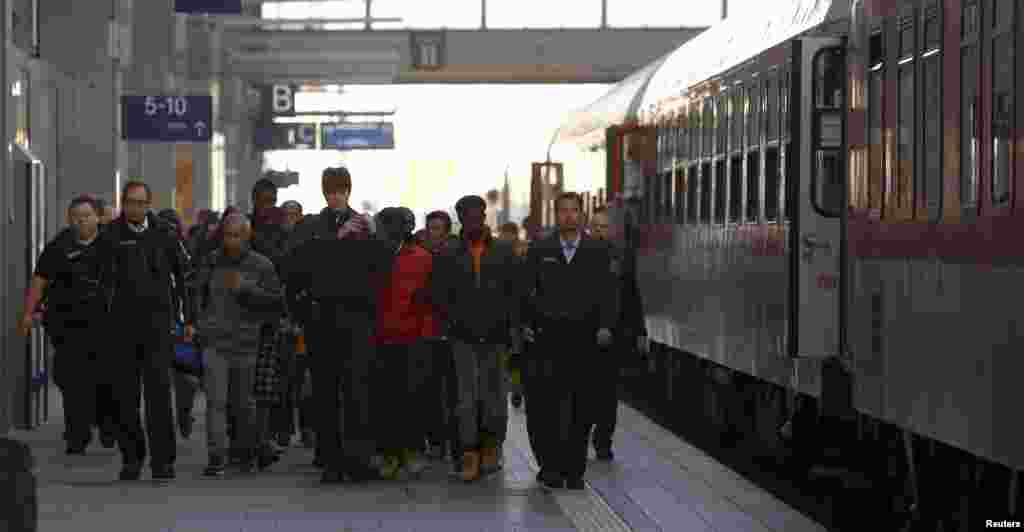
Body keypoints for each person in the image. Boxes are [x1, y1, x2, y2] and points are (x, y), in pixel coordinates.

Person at [285, 166, 390, 483]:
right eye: (330, 189)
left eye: (341, 188)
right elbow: (296, 268)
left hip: (358, 320)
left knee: (358, 390)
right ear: (323, 191)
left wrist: (373, 235)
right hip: (322, 319)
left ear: (349, 190)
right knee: (324, 393)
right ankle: (331, 460)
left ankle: (358, 458)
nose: (336, 195)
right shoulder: (310, 226)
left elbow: (383, 268)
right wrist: (302, 314)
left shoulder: (365, 225)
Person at [521, 192, 618, 490]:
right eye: (562, 211)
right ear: (555, 214)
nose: (568, 216)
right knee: (544, 407)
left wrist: (605, 326)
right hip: (547, 339)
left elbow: (609, 293)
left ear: (582, 215)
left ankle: (574, 470)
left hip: (585, 340)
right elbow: (526, 290)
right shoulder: (540, 249)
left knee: (582, 408)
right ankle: (550, 466)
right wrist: (526, 324)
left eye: (574, 211)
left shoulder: (598, 250)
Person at [100, 181, 193, 482]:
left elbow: (183, 277)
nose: (135, 208)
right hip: (121, 328)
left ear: (149, 204)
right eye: (130, 202)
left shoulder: (165, 233)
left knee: (158, 396)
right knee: (125, 398)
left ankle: (163, 462)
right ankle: (131, 458)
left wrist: (187, 318)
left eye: (141, 203)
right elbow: (99, 281)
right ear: (123, 203)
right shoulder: (111, 235)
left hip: (158, 326)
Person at [432, 195, 522, 482]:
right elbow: (439, 295)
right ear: (461, 219)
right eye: (468, 216)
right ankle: (469, 453)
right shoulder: (449, 253)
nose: (475, 221)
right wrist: (451, 323)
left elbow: (515, 293)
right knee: (466, 399)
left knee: (494, 397)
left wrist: (511, 328)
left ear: (484, 217)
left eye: (478, 216)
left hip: (496, 337)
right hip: (462, 337)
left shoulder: (503, 251)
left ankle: (491, 447)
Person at [18, 195, 116, 454]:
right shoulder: (57, 247)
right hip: (67, 327)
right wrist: (28, 313)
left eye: (86, 215)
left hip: (105, 327)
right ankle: (77, 435)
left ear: (97, 217)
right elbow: (39, 282)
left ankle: (107, 423)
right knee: (71, 381)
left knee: (105, 380)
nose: (81, 220)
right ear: (69, 219)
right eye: (76, 216)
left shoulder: (112, 245)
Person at [193, 214, 284, 476]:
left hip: (246, 344)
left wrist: (247, 289)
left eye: (237, 235)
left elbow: (277, 301)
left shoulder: (261, 265)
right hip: (215, 343)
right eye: (227, 235)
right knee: (216, 403)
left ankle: (245, 454)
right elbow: (198, 293)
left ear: (247, 236)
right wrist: (200, 323)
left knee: (244, 404)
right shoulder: (211, 261)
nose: (231, 241)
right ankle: (216, 457)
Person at [370, 207, 437, 479]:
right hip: (380, 337)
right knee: (384, 399)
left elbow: (429, 299)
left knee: (412, 397)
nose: (382, 232)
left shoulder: (422, 258)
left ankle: (412, 451)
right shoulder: (374, 256)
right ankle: (389, 453)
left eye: (386, 227)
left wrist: (426, 334)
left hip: (413, 338)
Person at [586, 206, 648, 461]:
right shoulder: (581, 257)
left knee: (609, 393)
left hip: (613, 336)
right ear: (590, 229)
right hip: (585, 335)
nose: (600, 232)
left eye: (604, 227)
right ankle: (584, 433)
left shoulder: (621, 259)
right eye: (596, 227)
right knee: (586, 389)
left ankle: (603, 440)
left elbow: (632, 296)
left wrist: (641, 331)